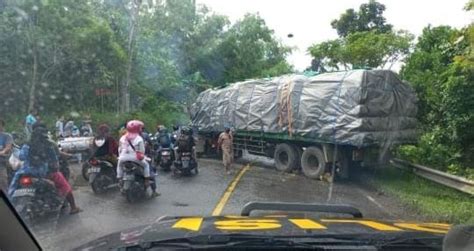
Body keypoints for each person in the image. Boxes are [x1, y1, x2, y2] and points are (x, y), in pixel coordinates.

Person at [8, 124, 82, 214]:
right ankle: (73, 207)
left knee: (13, 186)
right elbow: (54, 161)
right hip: (43, 174)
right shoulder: (49, 145)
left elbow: (21, 156)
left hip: (25, 173)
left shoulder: (27, 145)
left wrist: (16, 150)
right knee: (65, 186)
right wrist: (55, 168)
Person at [117, 120, 159, 197]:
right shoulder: (139, 138)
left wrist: (121, 156)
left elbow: (119, 149)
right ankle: (147, 181)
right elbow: (142, 151)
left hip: (123, 158)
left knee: (119, 165)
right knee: (146, 166)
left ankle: (119, 179)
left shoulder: (122, 137)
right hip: (135, 158)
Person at [0, 119, 13, 191]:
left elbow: (8, 147)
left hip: (2, 162)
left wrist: (2, 152)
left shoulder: (7, 136)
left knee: (3, 181)